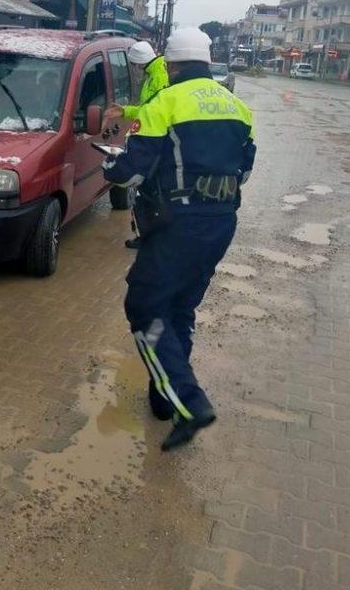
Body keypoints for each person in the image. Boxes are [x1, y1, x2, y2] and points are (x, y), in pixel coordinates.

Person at [102, 26, 256, 450]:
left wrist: (111, 167)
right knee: (180, 308)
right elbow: (244, 168)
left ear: (170, 65)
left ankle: (189, 401)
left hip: (177, 224)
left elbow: (132, 172)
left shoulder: (165, 102)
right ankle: (163, 399)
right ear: (207, 63)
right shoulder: (239, 107)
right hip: (222, 222)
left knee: (144, 304)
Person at [104, 41, 169, 249]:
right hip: (155, 138)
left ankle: (150, 239)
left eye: (133, 64)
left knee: (148, 195)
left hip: (154, 140)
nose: (133, 69)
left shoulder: (159, 78)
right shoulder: (155, 73)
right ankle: (149, 237)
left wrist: (127, 112)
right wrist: (125, 111)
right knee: (148, 195)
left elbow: (152, 112)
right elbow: (145, 108)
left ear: (139, 63)